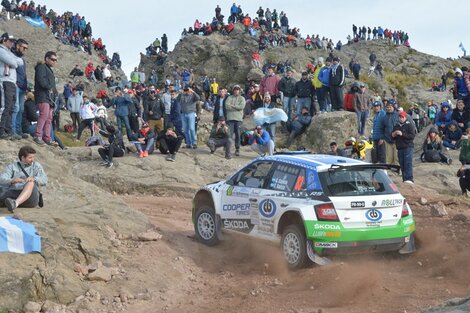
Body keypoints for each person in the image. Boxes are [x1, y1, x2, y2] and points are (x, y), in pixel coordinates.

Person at [0, 146, 47, 212]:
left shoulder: (36, 166)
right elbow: (1, 178)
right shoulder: (12, 166)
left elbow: (44, 179)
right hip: (13, 193)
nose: (32, 159)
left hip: (30, 197)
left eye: (33, 157)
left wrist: (34, 178)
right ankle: (10, 203)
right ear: (23, 157)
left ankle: (15, 204)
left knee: (30, 183)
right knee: (2, 189)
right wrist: (11, 181)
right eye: (30, 157)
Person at [0, 32, 24, 140]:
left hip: (12, 82)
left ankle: (7, 130)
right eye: (10, 41)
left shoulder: (9, 52)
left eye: (13, 41)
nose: (12, 43)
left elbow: (20, 61)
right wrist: (13, 62)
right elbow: (14, 63)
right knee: (5, 106)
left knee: (11, 107)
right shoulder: (1, 50)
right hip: (5, 81)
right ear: (4, 40)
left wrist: (13, 62)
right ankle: (1, 130)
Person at [34, 51, 57, 146]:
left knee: (49, 118)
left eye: (56, 60)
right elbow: (41, 80)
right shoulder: (41, 67)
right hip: (43, 96)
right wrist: (49, 87)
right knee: (43, 116)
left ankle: (47, 138)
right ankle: (38, 135)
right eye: (52, 59)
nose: (54, 61)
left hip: (49, 97)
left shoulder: (48, 69)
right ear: (46, 58)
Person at [11, 38, 29, 140]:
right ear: (18, 46)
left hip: (23, 87)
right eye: (24, 48)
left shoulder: (22, 59)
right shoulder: (11, 56)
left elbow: (24, 74)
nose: (25, 50)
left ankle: (18, 130)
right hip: (15, 85)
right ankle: (12, 130)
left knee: (21, 109)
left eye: (27, 49)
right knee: (15, 108)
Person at [392, 111, 415, 183]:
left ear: (405, 117)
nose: (401, 118)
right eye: (400, 117)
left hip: (408, 146)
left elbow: (412, 136)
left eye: (402, 117)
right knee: (402, 163)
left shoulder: (409, 125)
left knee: (407, 162)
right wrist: (393, 134)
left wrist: (402, 134)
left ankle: (409, 178)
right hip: (400, 147)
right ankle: (404, 179)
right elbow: (392, 137)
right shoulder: (396, 126)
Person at [225, 85, 246, 156]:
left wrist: (233, 106)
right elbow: (227, 106)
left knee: (238, 134)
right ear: (233, 90)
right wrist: (236, 107)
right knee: (229, 135)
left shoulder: (242, 98)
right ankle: (228, 149)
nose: (236, 91)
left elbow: (241, 107)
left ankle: (237, 149)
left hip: (238, 119)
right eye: (235, 89)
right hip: (230, 118)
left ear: (239, 91)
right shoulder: (229, 97)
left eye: (237, 89)